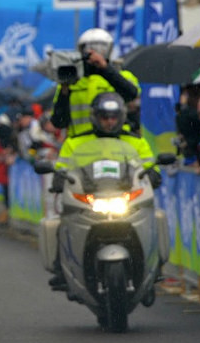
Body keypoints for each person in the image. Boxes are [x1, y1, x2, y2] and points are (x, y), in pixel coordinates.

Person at [48, 93, 160, 289]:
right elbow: (61, 171)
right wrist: (59, 180)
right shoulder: (75, 142)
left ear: (122, 116)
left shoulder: (136, 142)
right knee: (61, 223)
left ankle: (155, 265)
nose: (109, 122)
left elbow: (152, 171)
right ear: (95, 117)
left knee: (156, 217)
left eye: (114, 117)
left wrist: (152, 175)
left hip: (125, 198)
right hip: (91, 199)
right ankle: (61, 269)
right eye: (104, 117)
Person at [51, 28, 140, 138]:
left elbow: (131, 94)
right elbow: (59, 122)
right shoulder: (72, 82)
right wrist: (65, 89)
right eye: (89, 48)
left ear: (109, 49)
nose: (94, 53)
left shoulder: (122, 76)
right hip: (80, 146)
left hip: (116, 142)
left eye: (101, 48)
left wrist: (105, 68)